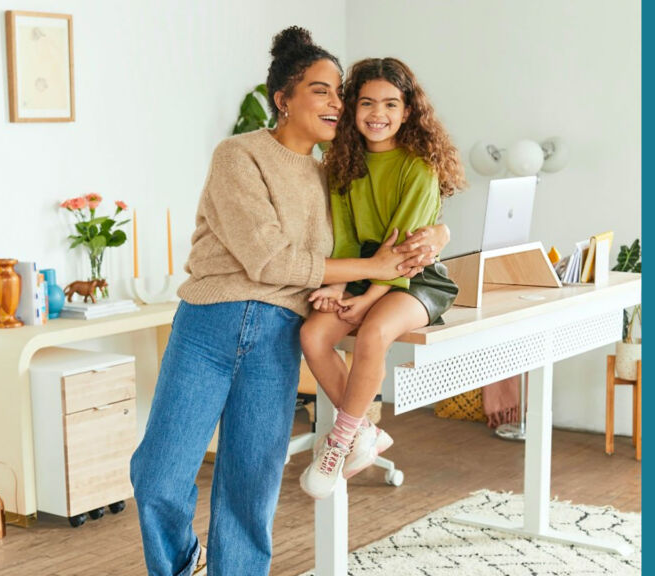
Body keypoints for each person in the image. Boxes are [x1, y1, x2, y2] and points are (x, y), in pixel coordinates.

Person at [129, 29, 449, 576]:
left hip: (277, 333)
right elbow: (268, 260)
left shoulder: (334, 174)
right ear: (284, 99)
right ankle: (181, 567)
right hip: (209, 325)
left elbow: (387, 222)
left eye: (338, 93)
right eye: (321, 90)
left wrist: (437, 233)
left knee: (251, 486)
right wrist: (373, 270)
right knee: (158, 475)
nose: (336, 103)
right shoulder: (239, 155)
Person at [298, 57, 467, 499]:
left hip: (415, 279)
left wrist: (368, 298)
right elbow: (347, 238)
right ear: (352, 109)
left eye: (391, 104)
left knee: (373, 333)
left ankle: (339, 442)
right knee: (314, 334)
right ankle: (364, 432)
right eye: (368, 103)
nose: (378, 114)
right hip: (365, 272)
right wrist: (337, 287)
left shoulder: (419, 166)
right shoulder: (342, 165)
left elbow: (408, 253)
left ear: (408, 111)